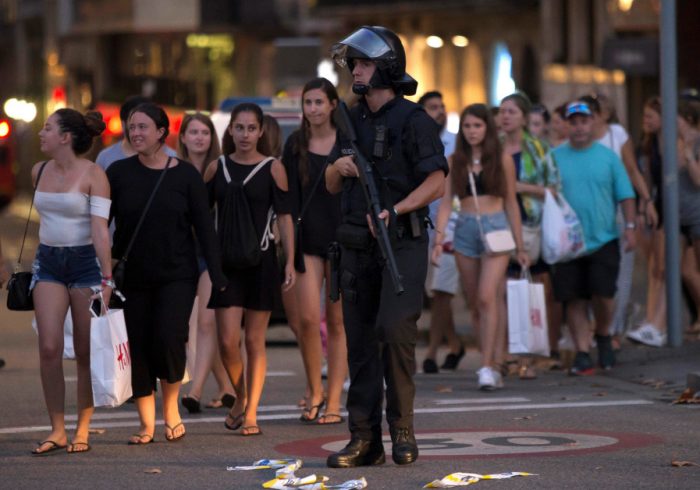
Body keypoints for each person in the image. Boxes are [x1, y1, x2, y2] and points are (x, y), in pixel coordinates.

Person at [326, 25, 448, 467]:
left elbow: (436, 180)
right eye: (354, 63)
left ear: (386, 67)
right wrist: (340, 166)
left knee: (394, 334)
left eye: (363, 63)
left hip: (403, 242)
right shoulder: (349, 119)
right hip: (357, 248)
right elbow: (328, 183)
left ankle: (402, 429)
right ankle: (364, 439)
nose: (355, 70)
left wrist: (395, 210)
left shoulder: (414, 121)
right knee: (358, 343)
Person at [107, 103, 226, 445]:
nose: (136, 133)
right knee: (139, 345)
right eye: (132, 127)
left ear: (162, 133)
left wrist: (217, 277)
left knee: (170, 339)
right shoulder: (117, 173)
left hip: (177, 274)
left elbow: (204, 229)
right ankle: (146, 424)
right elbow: (101, 226)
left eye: (144, 127)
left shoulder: (185, 175)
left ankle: (170, 409)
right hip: (133, 276)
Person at [204, 103, 296, 437]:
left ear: (261, 131)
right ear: (230, 131)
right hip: (226, 263)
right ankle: (241, 396)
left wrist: (290, 261)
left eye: (251, 128)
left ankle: (252, 412)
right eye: (239, 128)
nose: (245, 134)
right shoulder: (217, 167)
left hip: (261, 262)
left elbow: (285, 216)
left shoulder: (274, 168)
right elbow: (200, 214)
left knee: (255, 340)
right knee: (228, 341)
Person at [30, 108, 112, 455]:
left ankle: (83, 427)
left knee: (83, 350)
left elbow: (99, 229)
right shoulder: (38, 170)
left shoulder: (94, 174)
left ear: (65, 137)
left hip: (84, 265)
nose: (41, 133)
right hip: (48, 261)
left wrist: (107, 276)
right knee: (48, 348)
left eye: (47, 128)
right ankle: (57, 428)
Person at [434, 103, 529, 389]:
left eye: (477, 126)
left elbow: (512, 201)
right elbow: (445, 202)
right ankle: (491, 360)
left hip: (496, 227)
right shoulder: (454, 160)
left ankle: (488, 366)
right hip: (464, 229)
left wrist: (521, 246)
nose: (472, 131)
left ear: (487, 128)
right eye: (467, 126)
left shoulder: (501, 159)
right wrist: (438, 239)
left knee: (488, 297)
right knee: (475, 302)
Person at [551, 101, 636, 375]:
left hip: (604, 237)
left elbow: (625, 193)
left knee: (603, 293)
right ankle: (583, 351)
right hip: (568, 242)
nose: (578, 127)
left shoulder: (608, 157)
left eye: (583, 121)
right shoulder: (553, 157)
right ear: (566, 125)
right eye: (573, 122)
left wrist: (631, 226)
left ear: (593, 123)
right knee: (574, 298)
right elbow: (543, 194)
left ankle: (603, 334)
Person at [282, 77, 347, 425]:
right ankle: (315, 390)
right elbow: (287, 204)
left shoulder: (349, 142)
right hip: (306, 239)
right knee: (307, 320)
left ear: (333, 105)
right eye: (308, 103)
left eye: (319, 102)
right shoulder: (295, 144)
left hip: (342, 241)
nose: (313, 109)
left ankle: (334, 400)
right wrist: (289, 254)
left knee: (337, 322)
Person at [578, 94, 657, 350]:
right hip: (586, 217)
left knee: (619, 274)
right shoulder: (577, 140)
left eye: (592, 114)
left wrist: (646, 200)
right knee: (587, 275)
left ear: (601, 115)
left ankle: (613, 329)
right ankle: (593, 328)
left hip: (617, 214)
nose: (586, 121)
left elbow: (632, 170)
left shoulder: (617, 135)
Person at [177, 113, 235, 413]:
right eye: (194, 132)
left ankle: (195, 390)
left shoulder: (220, 169)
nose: (200, 137)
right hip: (181, 254)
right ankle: (226, 386)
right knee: (194, 326)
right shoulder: (173, 169)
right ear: (183, 137)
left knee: (206, 321)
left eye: (205, 132)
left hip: (213, 254)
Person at [499, 92, 560, 378]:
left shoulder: (538, 148)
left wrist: (521, 187)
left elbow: (554, 189)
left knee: (527, 290)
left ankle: (527, 355)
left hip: (530, 225)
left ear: (523, 116)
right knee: (500, 292)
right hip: (498, 224)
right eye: (502, 111)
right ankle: (504, 354)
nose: (505, 116)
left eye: (511, 111)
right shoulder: (493, 147)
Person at [416, 91, 462, 373]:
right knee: (434, 292)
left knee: (442, 291)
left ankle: (433, 351)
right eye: (433, 107)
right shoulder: (416, 141)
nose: (440, 111)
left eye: (442, 106)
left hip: (451, 226)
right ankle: (455, 343)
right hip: (423, 225)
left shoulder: (456, 144)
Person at [96, 95, 176, 171]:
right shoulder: (105, 158)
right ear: (123, 124)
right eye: (132, 126)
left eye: (142, 126)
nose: (137, 133)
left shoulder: (172, 158)